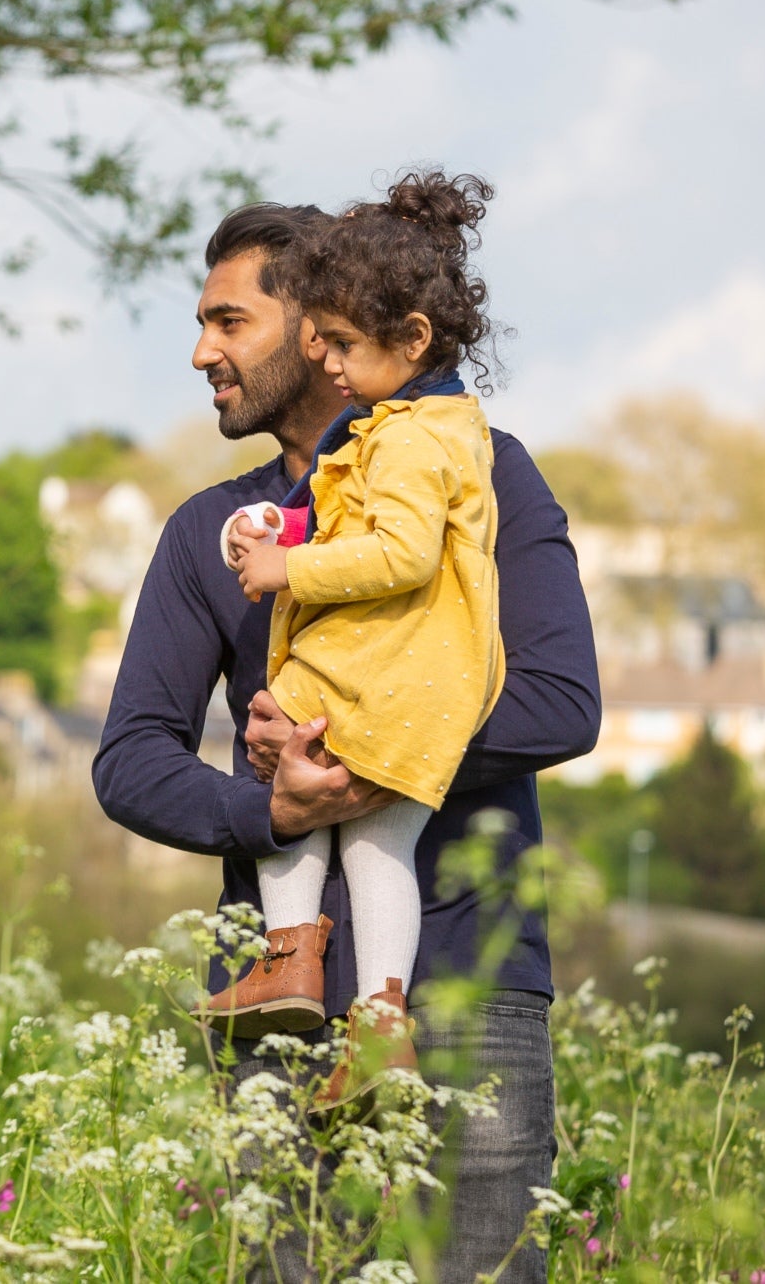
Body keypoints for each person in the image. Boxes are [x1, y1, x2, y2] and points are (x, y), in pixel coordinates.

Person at [89, 175, 599, 1283]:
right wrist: (269, 806)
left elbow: (562, 700)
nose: (202, 352)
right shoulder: (211, 535)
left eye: (229, 321)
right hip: (279, 1012)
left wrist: (365, 761)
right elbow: (129, 759)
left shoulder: (486, 475)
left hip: (470, 991)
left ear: (321, 336)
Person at [213, 182, 507, 1111]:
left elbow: (398, 550)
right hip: (430, 693)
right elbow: (354, 523)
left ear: (412, 341)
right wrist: (282, 528)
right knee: (383, 854)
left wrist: (284, 572)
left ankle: (289, 955)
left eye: (341, 343)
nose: (327, 361)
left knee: (274, 769)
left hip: (375, 676)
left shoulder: (410, 439)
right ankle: (382, 1023)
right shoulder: (436, 432)